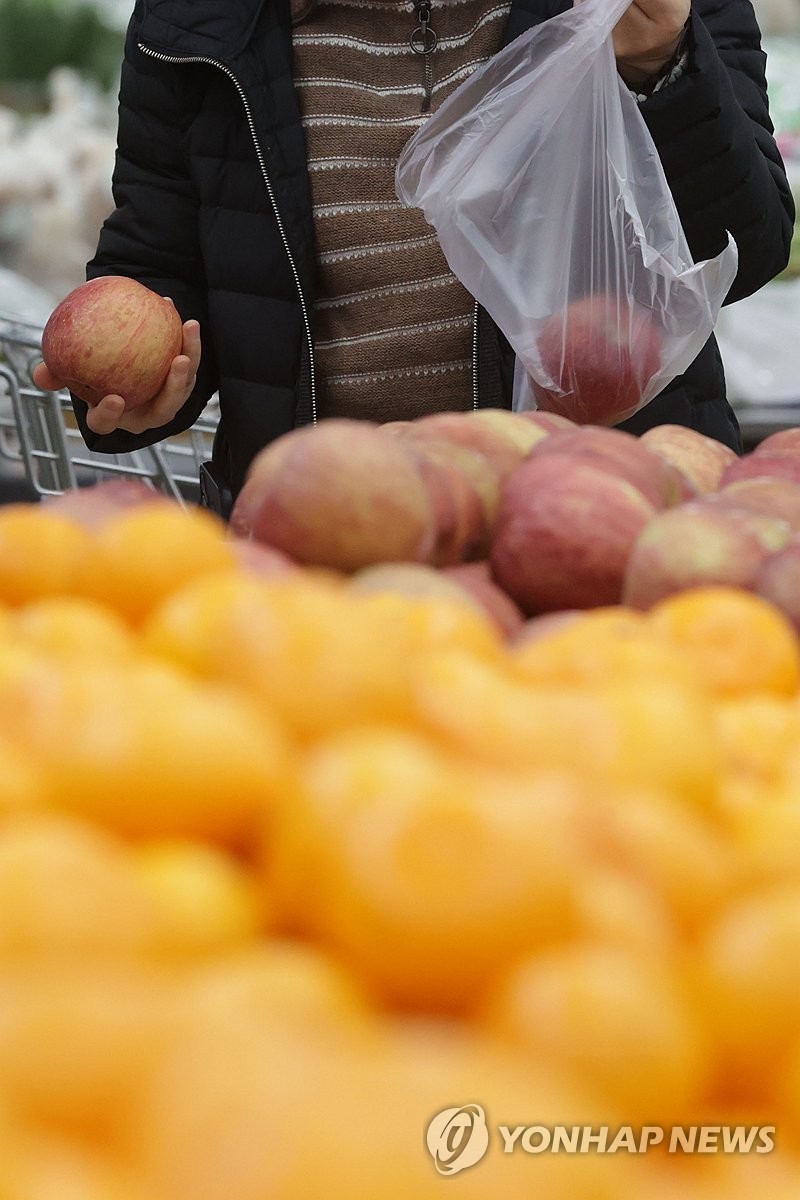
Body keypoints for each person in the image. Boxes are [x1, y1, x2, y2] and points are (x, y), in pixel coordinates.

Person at [33, 0, 795, 515]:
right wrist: (139, 392)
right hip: (322, 540)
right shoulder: (198, 17)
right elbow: (158, 259)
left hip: (596, 524)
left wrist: (662, 65)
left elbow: (744, 247)